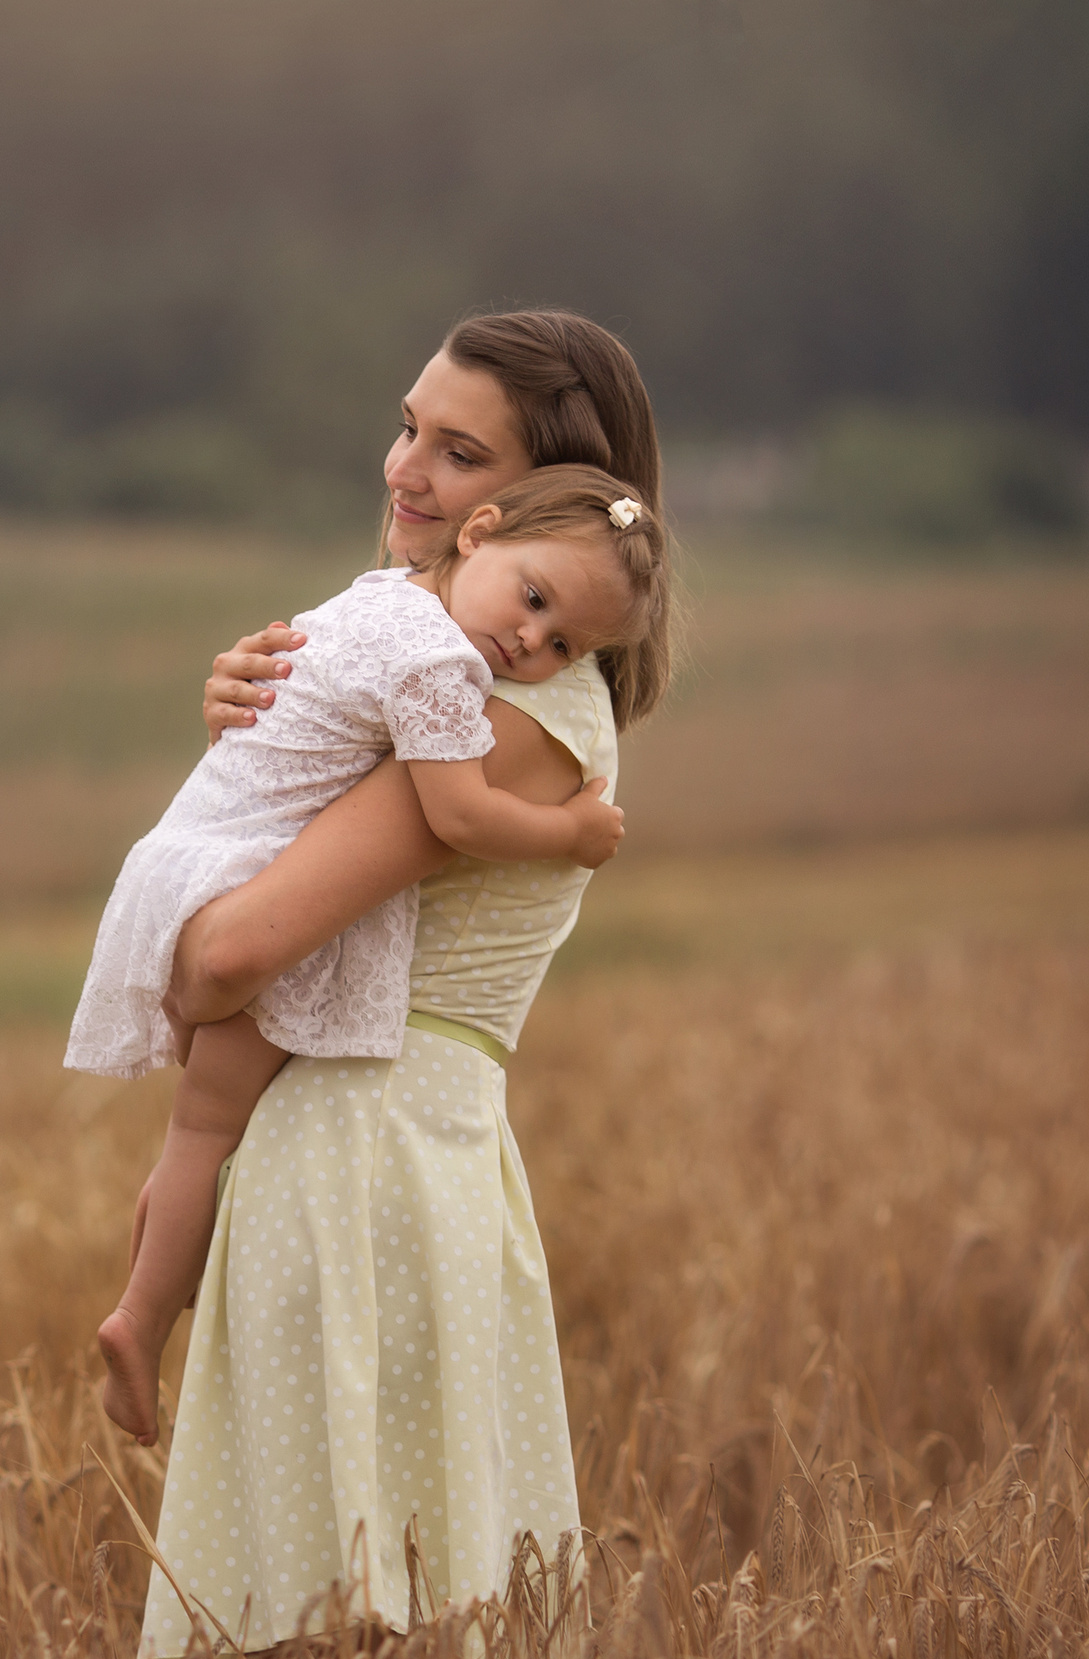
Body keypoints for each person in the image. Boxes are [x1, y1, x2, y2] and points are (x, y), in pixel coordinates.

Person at [132, 307, 678, 1659]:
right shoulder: (480, 680)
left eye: (456, 450)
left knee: (322, 1641)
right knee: (409, 1640)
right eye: (408, 427)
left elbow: (237, 954)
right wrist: (250, 724)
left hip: (355, 1152)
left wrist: (184, 947)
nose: (403, 468)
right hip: (418, 1152)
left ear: (541, 497)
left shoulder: (502, 711)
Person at [68, 467, 668, 1449]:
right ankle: (138, 1319)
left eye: (565, 644)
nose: (531, 643)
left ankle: (148, 1307)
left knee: (203, 1134)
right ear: (478, 534)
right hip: (242, 875)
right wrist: (569, 833)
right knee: (208, 1129)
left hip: (197, 854)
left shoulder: (383, 596)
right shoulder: (437, 665)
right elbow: (458, 811)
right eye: (532, 601)